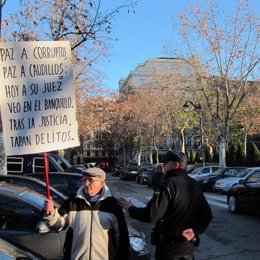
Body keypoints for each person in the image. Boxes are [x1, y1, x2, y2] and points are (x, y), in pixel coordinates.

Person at [118, 150, 212, 260]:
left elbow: (151, 215)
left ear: (176, 165)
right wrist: (194, 230)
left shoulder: (168, 184)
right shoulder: (194, 183)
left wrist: (130, 208)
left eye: (165, 164)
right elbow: (207, 214)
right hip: (187, 246)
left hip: (169, 247)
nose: (163, 167)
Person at [43, 167, 130, 260]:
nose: (86, 184)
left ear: (101, 183)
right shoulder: (72, 203)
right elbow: (58, 224)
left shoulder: (113, 205)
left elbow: (122, 239)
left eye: (91, 180)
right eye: (84, 180)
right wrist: (50, 213)